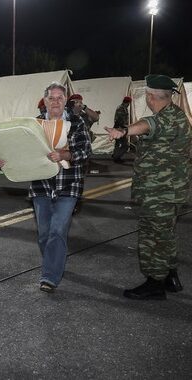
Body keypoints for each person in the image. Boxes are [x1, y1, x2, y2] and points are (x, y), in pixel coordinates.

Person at [0, 82, 91, 292]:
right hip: (40, 184)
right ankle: (54, 260)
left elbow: (85, 151)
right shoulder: (32, 124)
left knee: (57, 230)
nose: (56, 101)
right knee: (44, 234)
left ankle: (50, 276)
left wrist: (66, 155)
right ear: (45, 100)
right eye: (51, 98)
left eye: (60, 98)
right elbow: (19, 151)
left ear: (66, 101)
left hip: (69, 184)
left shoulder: (77, 122)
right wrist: (4, 161)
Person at [105, 75, 192, 300]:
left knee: (152, 236)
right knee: (166, 234)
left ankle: (155, 283)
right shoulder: (178, 115)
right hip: (171, 190)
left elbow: (147, 126)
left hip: (159, 193)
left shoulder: (164, 119)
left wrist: (123, 131)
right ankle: (170, 276)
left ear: (150, 96)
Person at [111, 96, 132, 163]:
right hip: (120, 128)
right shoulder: (121, 108)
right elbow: (119, 120)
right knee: (124, 145)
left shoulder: (123, 108)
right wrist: (122, 129)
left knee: (118, 143)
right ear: (128, 102)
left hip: (120, 128)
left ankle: (115, 155)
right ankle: (117, 157)